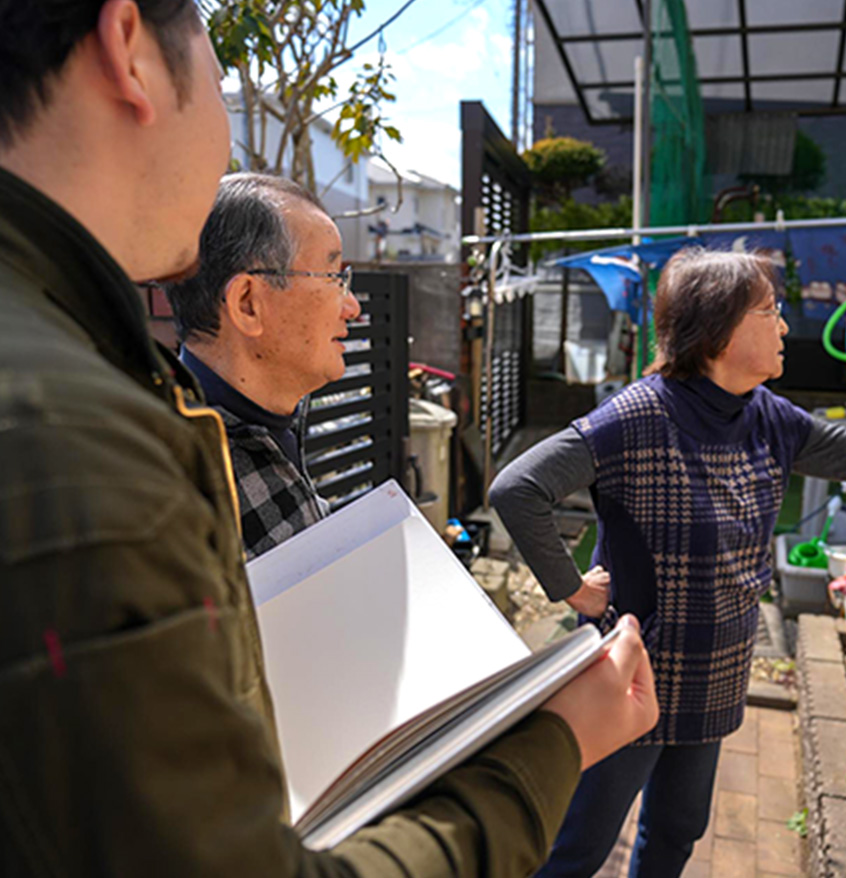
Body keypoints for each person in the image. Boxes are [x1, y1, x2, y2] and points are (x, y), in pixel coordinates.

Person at [0, 2, 657, 876]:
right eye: (335, 275)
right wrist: (554, 742)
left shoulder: (104, 384)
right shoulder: (86, 437)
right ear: (130, 48)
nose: (355, 304)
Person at [490, 248, 846, 878]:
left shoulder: (768, 417)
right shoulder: (637, 416)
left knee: (678, 833)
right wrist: (572, 589)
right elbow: (517, 489)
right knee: (578, 849)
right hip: (632, 672)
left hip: (717, 668)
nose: (786, 326)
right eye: (770, 311)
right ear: (718, 330)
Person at [164, 172, 357, 558]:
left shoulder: (271, 423)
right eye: (334, 278)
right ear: (248, 303)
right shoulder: (183, 488)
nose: (352, 307)